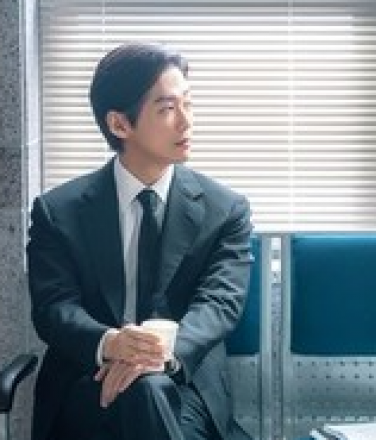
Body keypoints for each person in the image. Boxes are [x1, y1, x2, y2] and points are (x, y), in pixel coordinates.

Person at [26, 42, 253, 440]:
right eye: (167, 109)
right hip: (88, 382)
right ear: (119, 124)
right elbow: (54, 308)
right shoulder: (58, 212)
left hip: (183, 383)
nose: (186, 121)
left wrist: (156, 355)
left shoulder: (224, 210)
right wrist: (113, 344)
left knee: (147, 390)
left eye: (188, 103)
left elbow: (220, 304)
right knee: (143, 394)